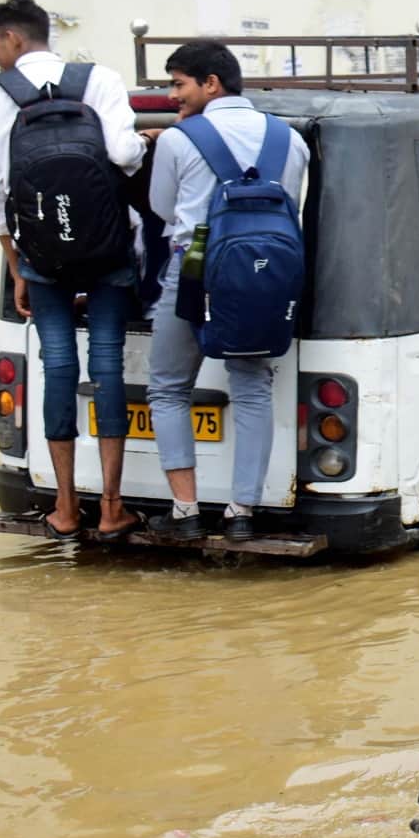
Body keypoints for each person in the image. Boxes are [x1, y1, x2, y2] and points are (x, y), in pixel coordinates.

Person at [0, 0, 146, 540]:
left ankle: (65, 507)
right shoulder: (101, 79)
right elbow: (124, 156)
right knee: (108, 365)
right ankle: (113, 507)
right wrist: (144, 144)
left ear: (13, 38)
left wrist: (17, 266)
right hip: (109, 250)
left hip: (42, 258)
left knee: (59, 365)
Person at [140, 42, 307, 541]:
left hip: (193, 271)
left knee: (169, 388)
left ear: (211, 83)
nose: (173, 95)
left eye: (178, 84)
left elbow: (163, 209)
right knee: (252, 385)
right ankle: (242, 513)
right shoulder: (290, 139)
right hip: (265, 276)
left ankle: (186, 511)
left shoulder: (178, 139)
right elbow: (292, 207)